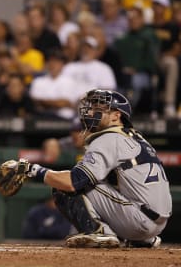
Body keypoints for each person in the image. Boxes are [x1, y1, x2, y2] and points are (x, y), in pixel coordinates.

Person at [20, 89, 172, 248]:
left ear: (116, 116)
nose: (91, 113)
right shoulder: (134, 138)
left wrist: (32, 170)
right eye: (92, 108)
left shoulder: (109, 138)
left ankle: (100, 232)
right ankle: (141, 239)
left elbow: (72, 182)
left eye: (99, 110)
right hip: (157, 222)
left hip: (137, 220)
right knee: (103, 178)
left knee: (65, 187)